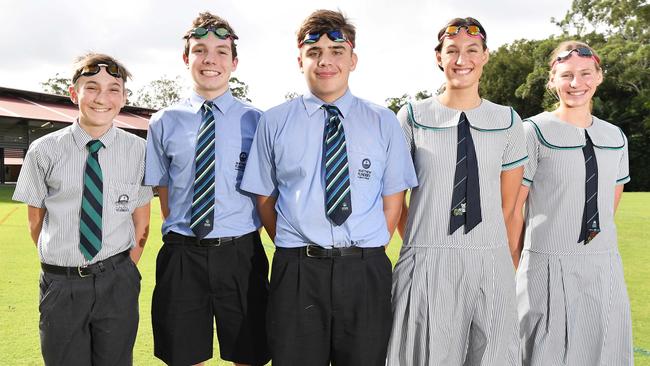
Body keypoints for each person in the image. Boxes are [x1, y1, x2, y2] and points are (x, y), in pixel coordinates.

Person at [240, 9, 417, 366]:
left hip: (365, 269)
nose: (325, 61)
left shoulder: (382, 120)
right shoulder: (274, 121)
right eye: (314, 52)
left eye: (336, 52)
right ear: (300, 60)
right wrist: (299, 245)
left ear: (353, 59)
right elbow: (264, 199)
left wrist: (362, 251)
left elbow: (393, 201)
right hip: (298, 270)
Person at [387, 17, 527, 366]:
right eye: (452, 51)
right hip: (425, 258)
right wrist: (425, 246)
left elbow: (510, 209)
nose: (461, 59)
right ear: (439, 57)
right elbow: (395, 200)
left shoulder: (508, 121)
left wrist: (505, 267)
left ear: (485, 56)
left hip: (490, 260)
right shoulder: (412, 116)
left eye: (471, 51)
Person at [145, 11, 270, 366]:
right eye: (200, 50)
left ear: (234, 62)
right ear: (187, 58)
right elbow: (164, 191)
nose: (209, 59)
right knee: (184, 356)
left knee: (250, 353)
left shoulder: (257, 120)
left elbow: (266, 192)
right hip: (183, 254)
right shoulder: (163, 121)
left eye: (220, 51)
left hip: (241, 254)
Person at [12, 52, 152, 365]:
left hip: (117, 281)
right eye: (92, 87)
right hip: (61, 285)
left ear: (124, 97)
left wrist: (121, 271)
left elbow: (142, 223)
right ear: (74, 93)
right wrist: (68, 266)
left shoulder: (138, 151)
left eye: (113, 88)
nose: (102, 97)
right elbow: (36, 222)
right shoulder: (43, 150)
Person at [513, 41, 633, 366]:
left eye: (585, 74)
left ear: (599, 77)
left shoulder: (616, 137)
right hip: (545, 267)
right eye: (566, 75)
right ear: (552, 80)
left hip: (602, 266)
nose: (576, 83)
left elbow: (609, 207)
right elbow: (512, 212)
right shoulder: (532, 131)